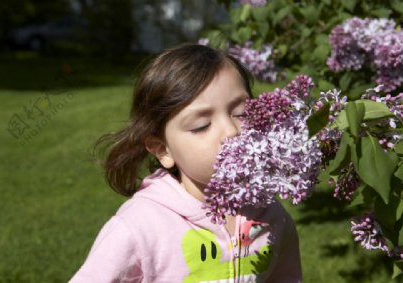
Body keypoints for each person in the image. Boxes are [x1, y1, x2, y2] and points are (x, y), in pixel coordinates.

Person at [70, 43, 302, 282]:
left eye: (242, 113)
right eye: (201, 126)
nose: (231, 132)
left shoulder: (273, 215)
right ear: (163, 150)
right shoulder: (139, 228)